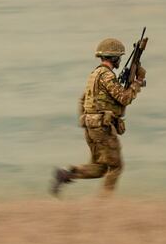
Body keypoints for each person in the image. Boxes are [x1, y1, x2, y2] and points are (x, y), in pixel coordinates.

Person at [51, 38, 145, 197]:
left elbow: (82, 99)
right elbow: (124, 98)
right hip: (102, 128)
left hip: (91, 127)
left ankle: (67, 173)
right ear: (114, 58)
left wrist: (87, 120)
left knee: (100, 167)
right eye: (119, 57)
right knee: (116, 167)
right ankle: (104, 205)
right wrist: (137, 83)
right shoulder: (107, 76)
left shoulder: (93, 75)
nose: (120, 61)